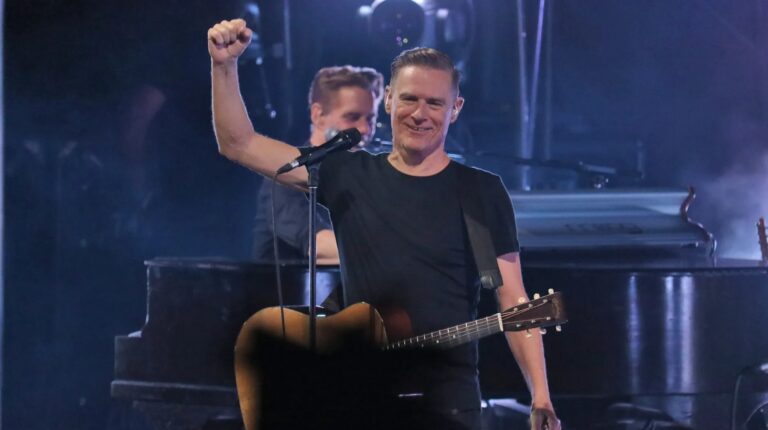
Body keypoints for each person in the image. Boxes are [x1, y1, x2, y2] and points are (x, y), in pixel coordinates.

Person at [208, 18, 560, 430]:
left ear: (455, 109)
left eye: (435, 103)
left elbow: (514, 301)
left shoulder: (480, 190)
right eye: (409, 99)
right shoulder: (347, 172)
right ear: (389, 100)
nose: (420, 114)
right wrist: (224, 66)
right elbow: (239, 144)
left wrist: (541, 396)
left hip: (448, 406)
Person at [252, 65, 384, 264]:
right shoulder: (287, 173)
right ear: (318, 115)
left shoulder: (365, 175)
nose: (365, 129)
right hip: (290, 285)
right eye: (353, 117)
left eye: (370, 119)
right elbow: (318, 246)